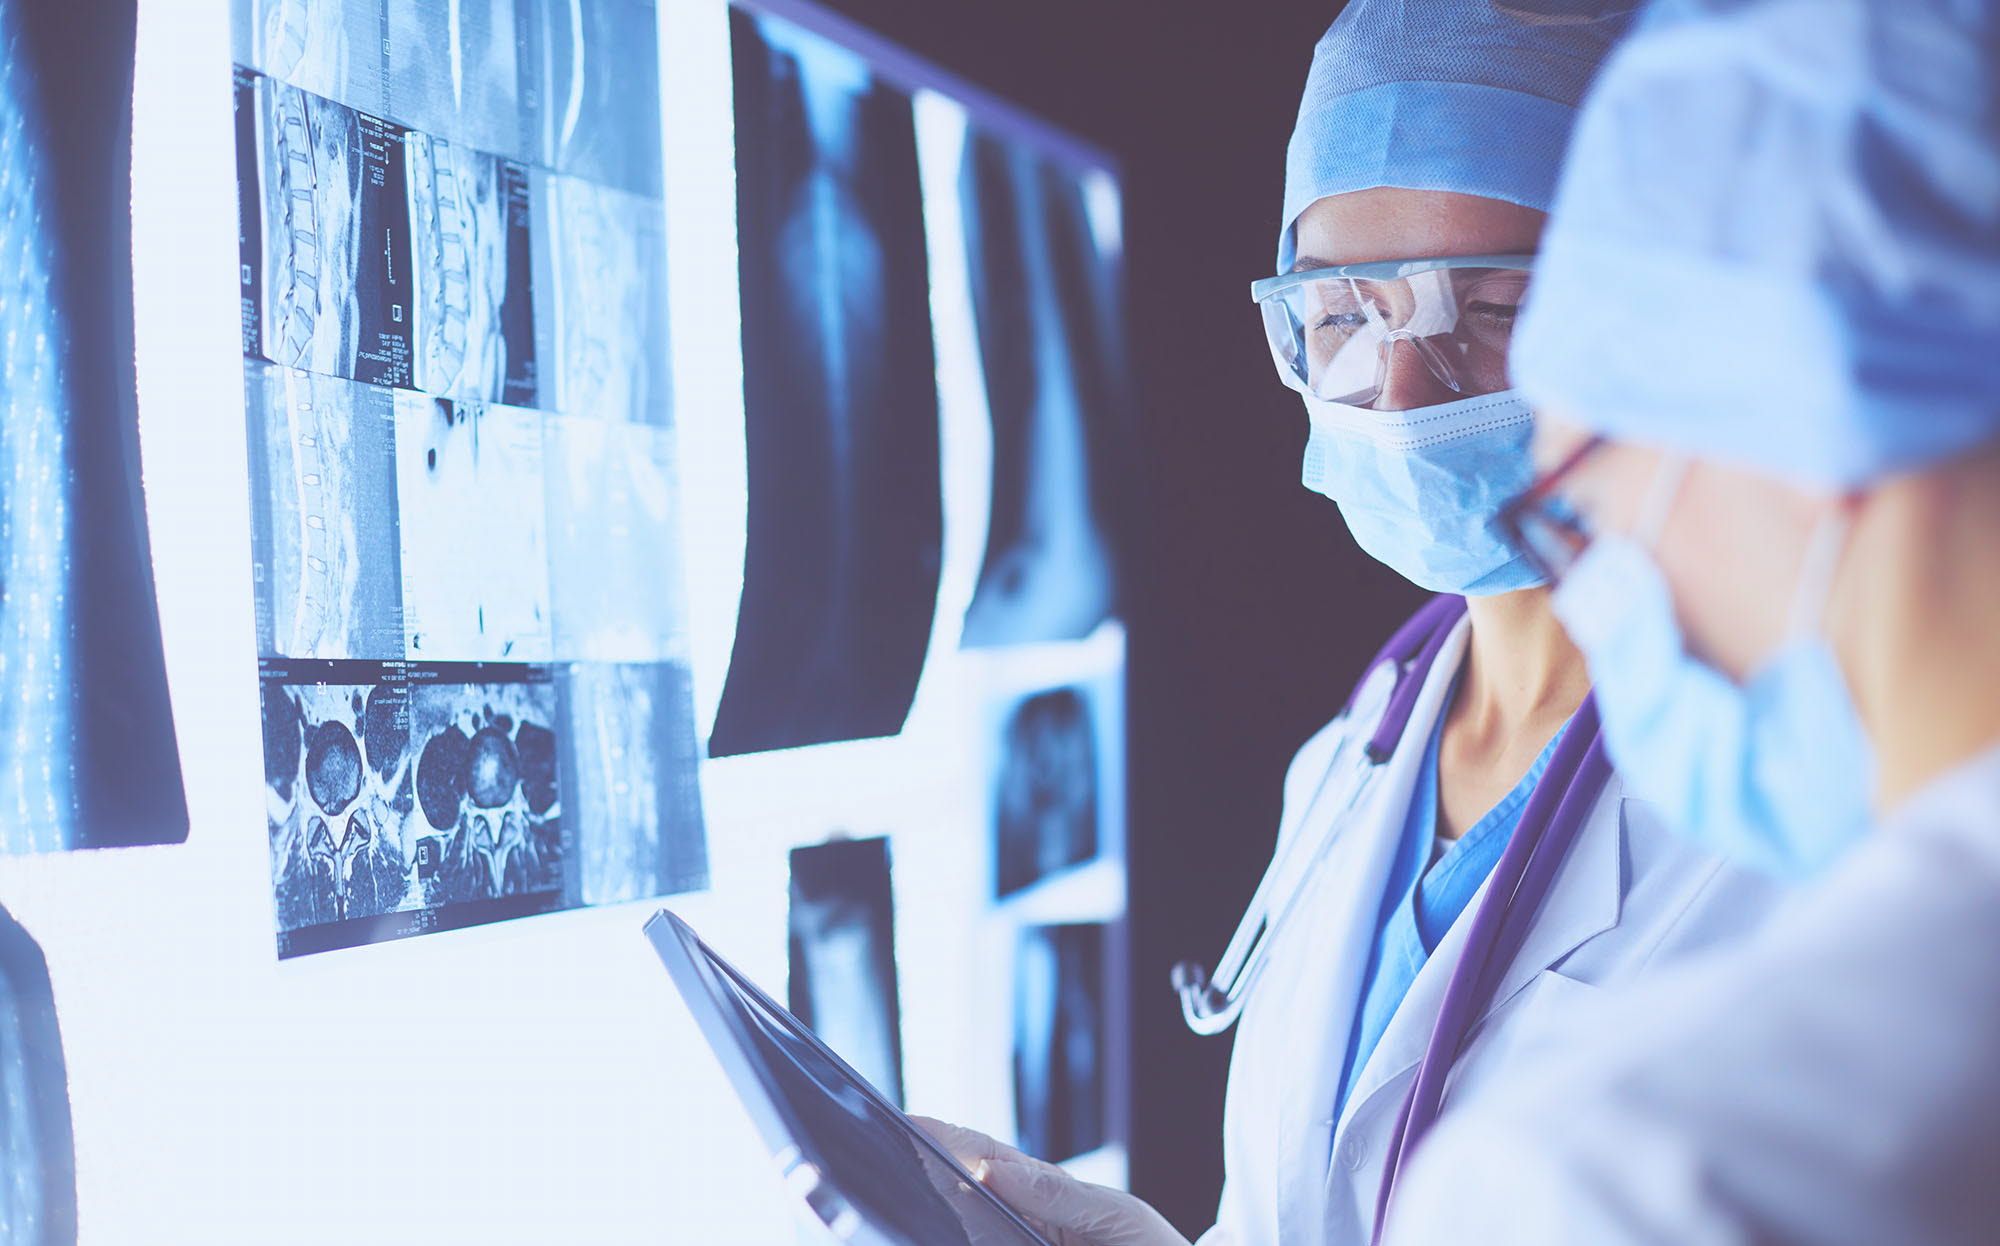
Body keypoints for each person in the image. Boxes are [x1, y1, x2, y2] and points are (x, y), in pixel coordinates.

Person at [923, 3, 1786, 1242]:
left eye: (1489, 308)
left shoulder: (1809, 802)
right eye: (1340, 316)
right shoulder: (1344, 770)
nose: (1393, 394)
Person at [1383, 0, 2000, 1240]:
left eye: (1580, 508)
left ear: (1797, 402)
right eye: (1336, 317)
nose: (1603, 590)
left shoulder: (1628, 1178)